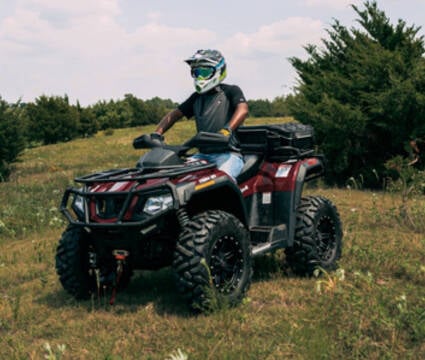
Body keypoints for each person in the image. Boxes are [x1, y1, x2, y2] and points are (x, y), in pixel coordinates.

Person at [150, 49, 249, 180]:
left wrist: (226, 130)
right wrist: (157, 134)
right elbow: (174, 114)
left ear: (218, 70)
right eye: (196, 73)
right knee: (175, 178)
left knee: (221, 181)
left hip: (228, 154)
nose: (200, 77)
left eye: (205, 72)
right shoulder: (196, 97)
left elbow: (243, 109)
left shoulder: (230, 91)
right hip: (202, 155)